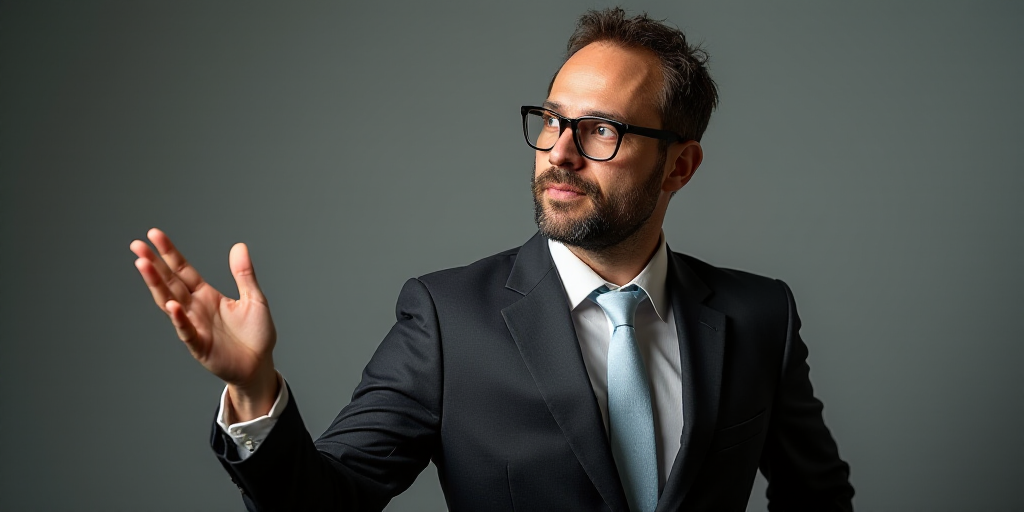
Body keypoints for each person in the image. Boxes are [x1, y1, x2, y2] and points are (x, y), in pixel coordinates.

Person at [131, 8, 853, 512]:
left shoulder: (761, 316)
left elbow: (817, 497)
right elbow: (325, 503)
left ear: (680, 166)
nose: (560, 153)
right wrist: (255, 389)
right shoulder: (448, 320)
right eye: (553, 120)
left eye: (601, 130)